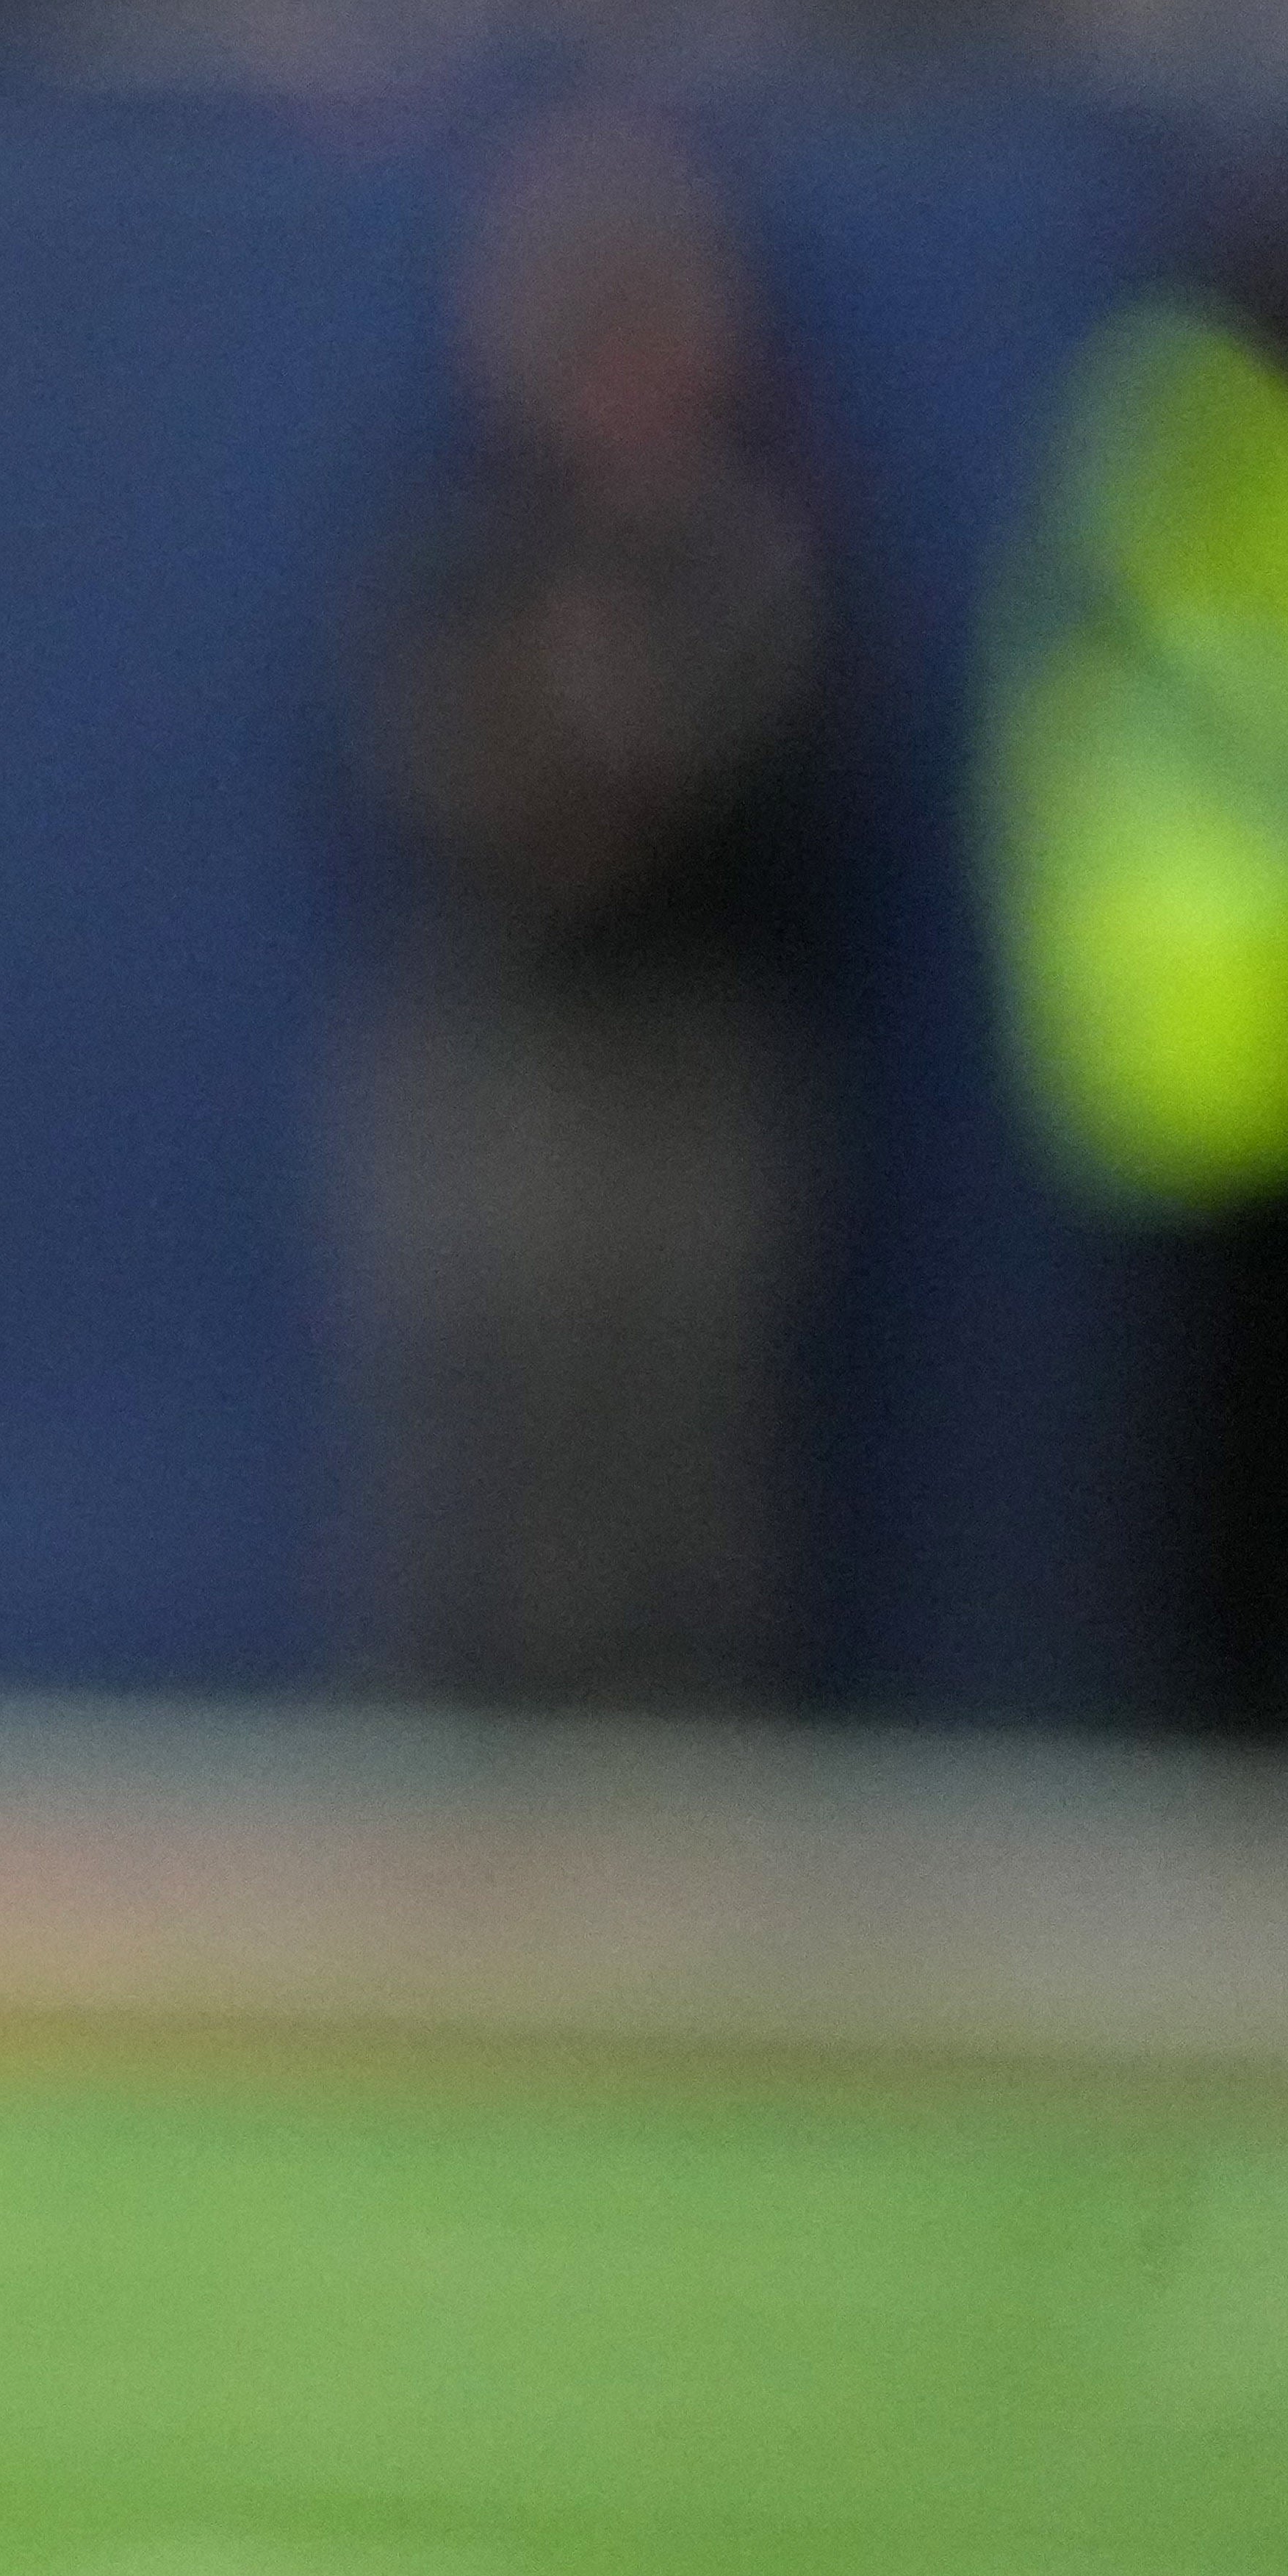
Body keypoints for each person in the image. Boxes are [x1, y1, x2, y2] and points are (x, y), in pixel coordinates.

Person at [339, 112, 836, 1711]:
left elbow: (762, 767)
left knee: (674, 1434)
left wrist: (612, 779)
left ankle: (668, 1760)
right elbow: (413, 756)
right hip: (507, 1021)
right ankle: (466, 1747)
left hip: (680, 1030)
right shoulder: (471, 529)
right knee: (486, 1408)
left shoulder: (751, 531)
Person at [982, 182, 1288, 1742]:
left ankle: (1274, 1725)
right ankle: (1210, 1731)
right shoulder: (1199, 473)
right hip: (1223, 1028)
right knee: (1220, 1436)